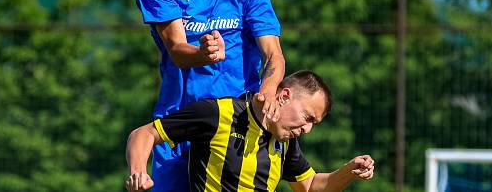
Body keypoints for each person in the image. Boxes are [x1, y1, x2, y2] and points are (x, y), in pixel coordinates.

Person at [135, 0, 286, 192]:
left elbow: (274, 54)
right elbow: (177, 50)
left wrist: (268, 90)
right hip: (177, 124)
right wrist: (203, 53)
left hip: (235, 128)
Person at [125, 70, 375, 192]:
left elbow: (309, 187)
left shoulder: (284, 141)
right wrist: (138, 172)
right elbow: (144, 134)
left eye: (314, 124)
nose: (307, 129)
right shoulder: (218, 113)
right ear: (284, 96)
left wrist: (348, 171)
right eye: (307, 117)